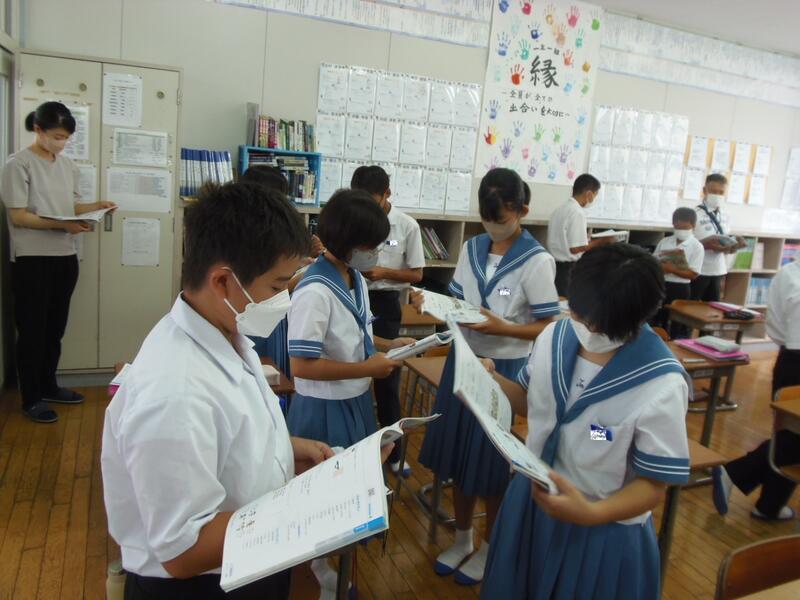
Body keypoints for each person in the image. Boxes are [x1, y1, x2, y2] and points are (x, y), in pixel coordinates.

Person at [101, 182, 339, 599]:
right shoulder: (174, 393)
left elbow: (226, 429)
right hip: (205, 584)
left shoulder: (225, 329)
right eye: (277, 287)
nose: (285, 299)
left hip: (246, 560)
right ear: (224, 281)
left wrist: (285, 450)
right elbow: (184, 550)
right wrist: (305, 508)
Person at [481, 243, 690, 599]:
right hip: (531, 500)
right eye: (578, 313)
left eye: (593, 321)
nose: (584, 325)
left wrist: (592, 513)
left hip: (600, 529)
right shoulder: (555, 336)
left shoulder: (661, 382)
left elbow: (654, 485)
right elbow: (532, 403)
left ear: (638, 316)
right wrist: (489, 381)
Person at [416, 168, 560, 585]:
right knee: (459, 457)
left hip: (505, 369)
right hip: (464, 359)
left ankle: (490, 546)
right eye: (487, 218)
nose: (493, 225)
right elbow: (458, 298)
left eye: (502, 218)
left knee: (491, 463)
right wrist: (439, 307)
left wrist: (504, 328)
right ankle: (463, 537)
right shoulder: (472, 247)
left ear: (522, 211)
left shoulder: (537, 260)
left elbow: (549, 326)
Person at [285, 189, 413, 596]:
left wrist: (390, 345)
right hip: (323, 409)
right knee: (323, 503)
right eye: (370, 246)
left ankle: (332, 568)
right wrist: (367, 368)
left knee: (348, 500)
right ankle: (319, 574)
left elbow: (357, 335)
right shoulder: (313, 290)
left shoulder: (353, 277)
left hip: (354, 400)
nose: (375, 253)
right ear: (348, 243)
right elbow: (301, 366)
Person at [1, 101, 116, 423]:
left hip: (65, 257)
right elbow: (18, 216)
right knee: (32, 331)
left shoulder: (67, 166)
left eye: (66, 138)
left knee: (55, 329)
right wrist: (61, 226)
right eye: (57, 136)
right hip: (31, 259)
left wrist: (97, 206)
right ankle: (31, 397)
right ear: (38, 130)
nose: (62, 143)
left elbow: (71, 206)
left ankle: (49, 386)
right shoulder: (18, 164)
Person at [350, 165, 425, 477]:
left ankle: (395, 454)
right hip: (353, 293)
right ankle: (354, 450)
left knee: (387, 383)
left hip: (385, 301)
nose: (365, 207)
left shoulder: (407, 225)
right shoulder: (353, 218)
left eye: (371, 200)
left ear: (387, 194)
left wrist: (383, 273)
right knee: (351, 372)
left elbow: (417, 274)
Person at [712, 258, 800, 521]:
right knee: (793, 436)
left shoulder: (788, 273)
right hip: (796, 360)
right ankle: (739, 473)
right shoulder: (794, 281)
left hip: (790, 358)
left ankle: (769, 505)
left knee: (792, 436)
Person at [238, 165, 323, 407]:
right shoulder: (247, 233)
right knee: (259, 380)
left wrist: (303, 258)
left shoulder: (271, 228)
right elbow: (262, 290)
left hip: (274, 317)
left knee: (275, 380)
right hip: (255, 318)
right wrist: (297, 277)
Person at [547, 173, 608, 297]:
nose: (593, 200)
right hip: (567, 270)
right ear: (589, 194)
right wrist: (600, 242)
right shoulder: (577, 212)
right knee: (567, 304)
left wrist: (586, 240)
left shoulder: (559, 209)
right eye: (595, 196)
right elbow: (575, 248)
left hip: (555, 267)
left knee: (558, 301)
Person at [691, 173, 747, 302]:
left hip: (718, 270)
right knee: (690, 306)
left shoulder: (725, 215)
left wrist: (734, 245)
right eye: (713, 191)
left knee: (713, 308)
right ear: (704, 190)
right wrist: (705, 245)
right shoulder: (694, 214)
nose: (717, 195)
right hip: (698, 270)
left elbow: (725, 239)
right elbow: (684, 244)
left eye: (721, 192)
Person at [652, 207, 705, 338]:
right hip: (662, 284)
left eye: (685, 228)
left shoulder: (697, 246)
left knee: (675, 322)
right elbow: (653, 261)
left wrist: (672, 269)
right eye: (678, 227)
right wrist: (659, 267)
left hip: (680, 288)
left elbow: (694, 274)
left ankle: (673, 342)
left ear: (693, 225)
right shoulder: (665, 241)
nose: (681, 231)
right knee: (657, 318)